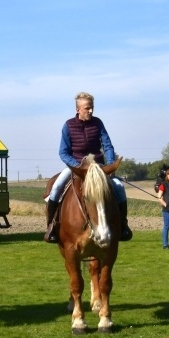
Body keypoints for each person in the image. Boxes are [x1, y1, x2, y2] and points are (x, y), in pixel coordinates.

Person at [44, 92, 132, 243]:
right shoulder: (68, 125)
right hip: (77, 167)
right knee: (57, 186)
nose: (90, 111)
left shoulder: (98, 123)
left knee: (118, 186)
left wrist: (111, 165)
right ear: (78, 109)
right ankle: (51, 227)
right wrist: (78, 167)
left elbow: (107, 146)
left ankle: (123, 225)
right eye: (87, 108)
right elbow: (63, 152)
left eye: (91, 108)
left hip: (98, 167)